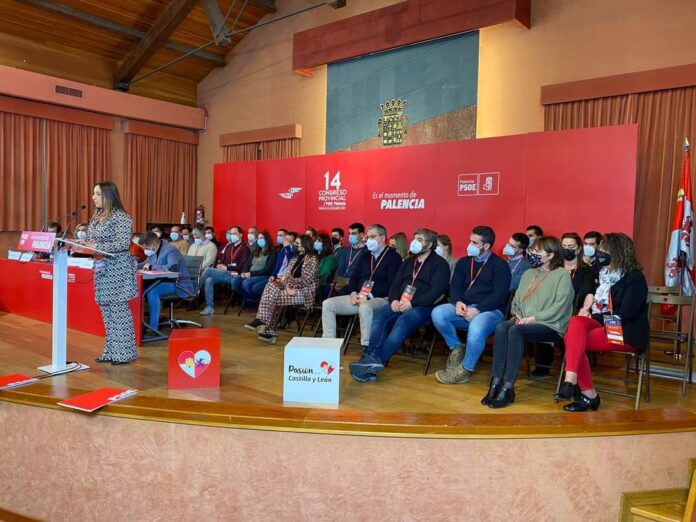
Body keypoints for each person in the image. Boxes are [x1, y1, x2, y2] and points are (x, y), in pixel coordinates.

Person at [556, 233, 648, 412]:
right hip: (603, 323)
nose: (600, 252)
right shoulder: (601, 273)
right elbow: (588, 288)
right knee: (576, 322)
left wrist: (593, 317)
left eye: (605, 249)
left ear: (618, 252)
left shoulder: (634, 278)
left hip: (625, 330)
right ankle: (574, 383)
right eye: (601, 249)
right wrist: (588, 310)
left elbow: (625, 314)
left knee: (572, 339)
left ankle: (585, 392)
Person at [482, 236, 574, 408]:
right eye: (533, 250)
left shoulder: (562, 275)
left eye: (538, 251)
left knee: (515, 330)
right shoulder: (528, 273)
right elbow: (517, 299)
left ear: (551, 255)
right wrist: (517, 314)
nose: (533, 254)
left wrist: (532, 319)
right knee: (501, 327)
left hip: (550, 324)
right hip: (524, 320)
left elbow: (560, 306)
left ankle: (508, 386)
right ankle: (496, 382)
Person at [348, 228, 450, 382]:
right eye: (414, 238)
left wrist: (412, 303)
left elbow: (437, 292)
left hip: (423, 307)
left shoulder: (440, 264)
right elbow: (395, 284)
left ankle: (374, 362)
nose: (414, 242)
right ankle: (371, 357)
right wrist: (394, 299)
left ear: (429, 245)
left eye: (420, 240)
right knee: (380, 317)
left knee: (402, 321)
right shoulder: (408, 262)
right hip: (399, 303)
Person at [431, 226, 512, 385]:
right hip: (465, 307)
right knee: (438, 313)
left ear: (486, 246)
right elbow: (455, 286)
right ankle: (456, 347)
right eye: (470, 241)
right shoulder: (464, 262)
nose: (470, 245)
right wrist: (457, 301)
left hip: (491, 310)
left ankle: (465, 369)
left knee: (476, 327)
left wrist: (478, 309)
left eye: (475, 243)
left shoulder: (500, 265)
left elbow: (499, 294)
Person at [322, 224, 402, 350]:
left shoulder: (393, 257)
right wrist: (354, 293)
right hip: (359, 296)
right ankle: (328, 347)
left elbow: (392, 284)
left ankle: (367, 348)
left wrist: (369, 295)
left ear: (382, 238)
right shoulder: (365, 255)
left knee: (365, 307)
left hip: (381, 298)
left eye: (373, 237)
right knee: (328, 304)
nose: (369, 240)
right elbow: (354, 278)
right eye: (368, 237)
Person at [84, 181, 138, 364]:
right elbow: (91, 240)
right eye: (94, 193)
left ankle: (124, 354)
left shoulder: (121, 217)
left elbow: (122, 243)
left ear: (108, 196)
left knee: (118, 311)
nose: (93, 197)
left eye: (98, 194)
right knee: (106, 311)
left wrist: (96, 246)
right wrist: (84, 244)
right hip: (102, 268)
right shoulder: (97, 216)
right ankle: (111, 351)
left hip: (118, 269)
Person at [531, 232, 598, 377]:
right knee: (543, 319)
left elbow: (587, 292)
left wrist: (583, 308)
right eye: (564, 246)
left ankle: (570, 370)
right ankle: (542, 365)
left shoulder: (586, 270)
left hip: (573, 310)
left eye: (571, 247)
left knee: (567, 326)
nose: (567, 249)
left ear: (579, 249)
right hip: (551, 308)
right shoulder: (554, 268)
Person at [246, 234, 319, 343]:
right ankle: (265, 325)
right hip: (290, 289)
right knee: (270, 285)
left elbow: (305, 281)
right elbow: (286, 276)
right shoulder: (294, 258)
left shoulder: (312, 259)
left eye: (297, 243)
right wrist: (286, 285)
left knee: (272, 297)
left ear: (305, 245)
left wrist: (288, 282)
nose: (294, 245)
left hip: (304, 292)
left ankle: (265, 325)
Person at [139, 232, 194, 332]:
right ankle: (139, 324)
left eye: (146, 248)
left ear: (154, 245)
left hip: (179, 283)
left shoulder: (170, 250)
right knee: (140, 287)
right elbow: (145, 263)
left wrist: (152, 267)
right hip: (162, 281)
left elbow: (171, 267)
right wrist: (133, 265)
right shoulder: (154, 250)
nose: (145, 251)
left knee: (152, 291)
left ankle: (153, 327)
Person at [199, 226, 251, 315]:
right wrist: (219, 265)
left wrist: (227, 267)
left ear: (240, 235)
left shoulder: (244, 248)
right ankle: (209, 307)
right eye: (231, 234)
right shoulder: (229, 246)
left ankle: (196, 288)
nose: (232, 235)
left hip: (236, 274)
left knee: (208, 270)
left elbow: (242, 266)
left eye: (234, 233)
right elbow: (222, 260)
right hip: (224, 273)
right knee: (208, 279)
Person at [231, 231, 277, 304]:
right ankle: (250, 299)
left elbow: (268, 269)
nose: (259, 240)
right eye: (258, 238)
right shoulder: (256, 251)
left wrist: (251, 274)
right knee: (235, 281)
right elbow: (247, 264)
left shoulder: (272, 252)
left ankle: (252, 301)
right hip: (250, 274)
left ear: (267, 239)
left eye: (262, 238)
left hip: (263, 275)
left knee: (246, 283)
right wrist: (243, 272)